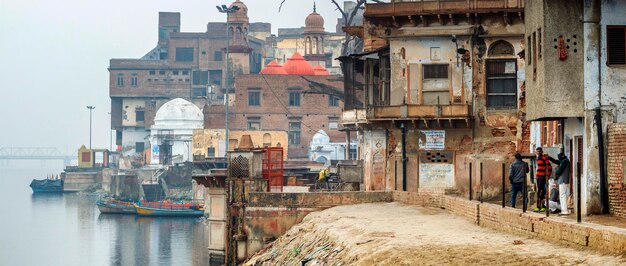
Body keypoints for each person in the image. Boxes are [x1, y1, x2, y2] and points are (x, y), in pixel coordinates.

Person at [534, 147, 552, 212]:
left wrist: (547, 176)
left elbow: (549, 167)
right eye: (537, 151)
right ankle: (538, 206)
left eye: (539, 151)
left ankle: (542, 206)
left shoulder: (544, 158)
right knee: (539, 191)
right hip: (539, 177)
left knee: (541, 191)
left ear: (542, 152)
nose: (538, 152)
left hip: (542, 177)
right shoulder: (537, 158)